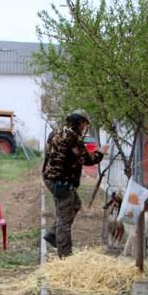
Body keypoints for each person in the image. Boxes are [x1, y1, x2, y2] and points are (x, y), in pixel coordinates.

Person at [42, 110, 105, 258]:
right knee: (64, 219)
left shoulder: (56, 132)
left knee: (75, 204)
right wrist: (101, 152)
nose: (85, 128)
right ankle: (65, 257)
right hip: (60, 182)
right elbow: (87, 160)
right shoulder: (72, 137)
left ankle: (52, 234)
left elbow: (48, 152)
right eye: (85, 124)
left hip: (51, 177)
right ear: (80, 122)